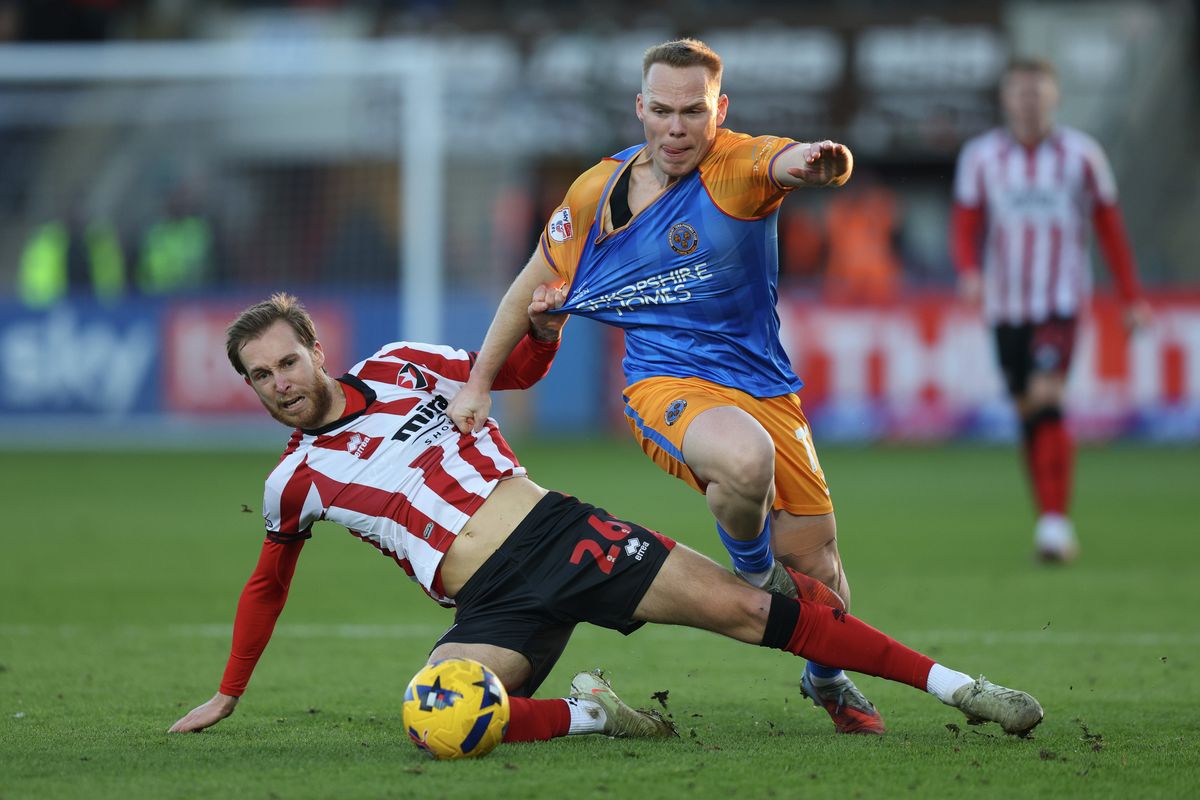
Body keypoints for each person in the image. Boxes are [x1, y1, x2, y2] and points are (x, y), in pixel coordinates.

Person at [169, 293, 1045, 746]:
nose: (281, 381)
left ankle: (960, 689)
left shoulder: (405, 367)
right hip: (490, 609)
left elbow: (512, 373)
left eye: (289, 360)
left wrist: (542, 332)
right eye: (261, 375)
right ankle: (598, 717)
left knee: (751, 613)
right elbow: (266, 584)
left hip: (558, 534)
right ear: (249, 386)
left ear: (316, 350)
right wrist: (230, 692)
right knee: (432, 716)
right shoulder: (293, 480)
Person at [446, 37, 884, 733]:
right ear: (640, 108)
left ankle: (826, 678)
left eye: (694, 111)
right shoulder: (595, 191)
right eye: (663, 110)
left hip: (763, 386)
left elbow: (790, 160)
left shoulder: (738, 166)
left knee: (824, 573)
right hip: (665, 385)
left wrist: (818, 163)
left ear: (720, 110)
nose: (677, 128)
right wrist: (477, 386)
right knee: (743, 463)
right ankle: (754, 568)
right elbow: (524, 288)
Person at [951, 58, 1150, 562]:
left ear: (1054, 97)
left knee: (1047, 396)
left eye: (1037, 92)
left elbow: (1109, 228)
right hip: (1006, 306)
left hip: (1059, 302)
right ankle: (1049, 518)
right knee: (1028, 414)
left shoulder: (1082, 156)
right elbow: (965, 222)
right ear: (1006, 99)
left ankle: (1056, 523)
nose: (1029, 101)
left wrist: (1130, 296)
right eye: (1020, 93)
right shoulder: (981, 157)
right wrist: (970, 269)